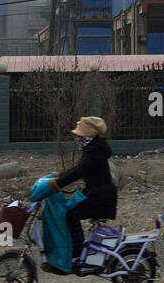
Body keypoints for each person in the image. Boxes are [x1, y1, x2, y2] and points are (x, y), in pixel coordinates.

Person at [48, 116, 117, 273]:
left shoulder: (94, 152)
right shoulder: (93, 149)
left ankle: (78, 251)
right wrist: (59, 176)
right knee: (71, 212)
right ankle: (80, 250)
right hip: (98, 194)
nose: (78, 139)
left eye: (81, 136)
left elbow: (79, 171)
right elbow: (77, 169)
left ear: (89, 136)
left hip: (101, 198)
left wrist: (58, 184)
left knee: (71, 215)